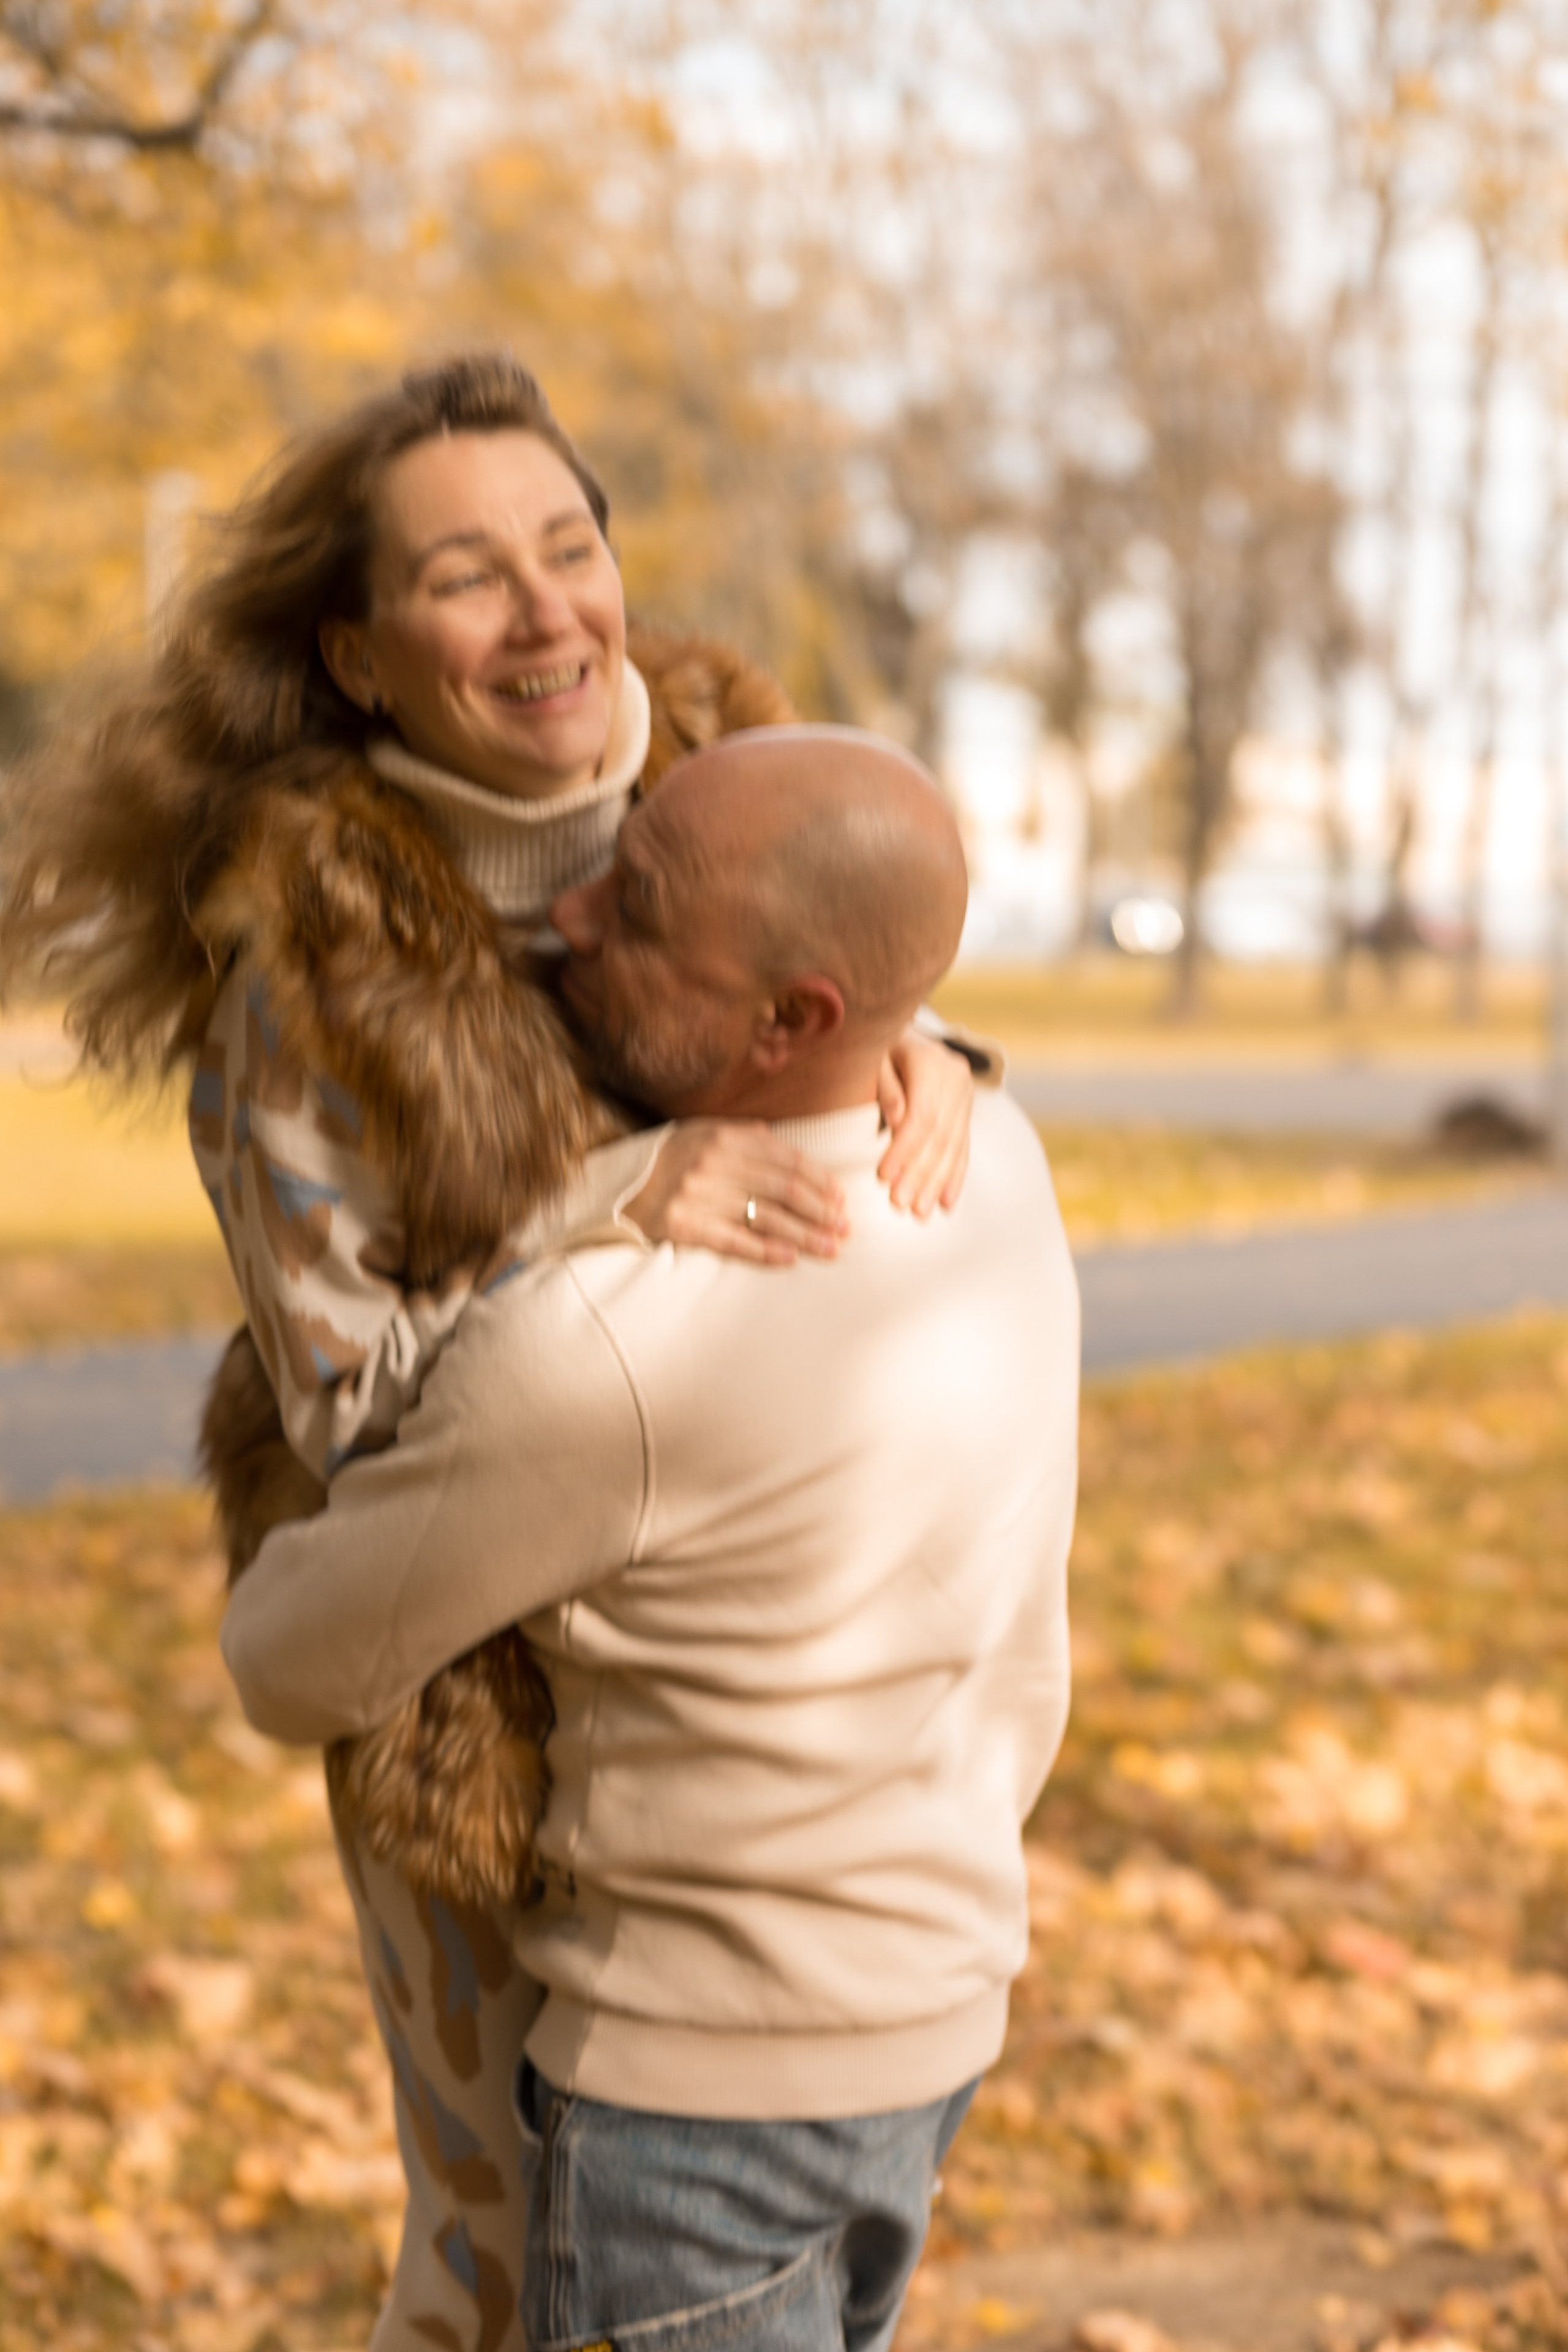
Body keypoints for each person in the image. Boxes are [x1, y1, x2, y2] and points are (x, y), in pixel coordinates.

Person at [0, 354, 984, 2350]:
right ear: (362, 659)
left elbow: (847, 958)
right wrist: (602, 1215)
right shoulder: (313, 970)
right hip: (481, 1714)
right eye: (467, 577)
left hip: (770, 1710)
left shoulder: (731, 743)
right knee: (497, 2248)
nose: (548, 613)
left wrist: (935, 1049)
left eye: (571, 544)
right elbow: (357, 1424)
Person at [222, 726, 1080, 2352]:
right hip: (937, 2035)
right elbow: (889, 996)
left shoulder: (606, 1352)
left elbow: (287, 1660)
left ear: (793, 1019)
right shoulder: (998, 1173)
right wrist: (938, 1050)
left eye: (644, 901)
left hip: (691, 2116)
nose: (576, 913)